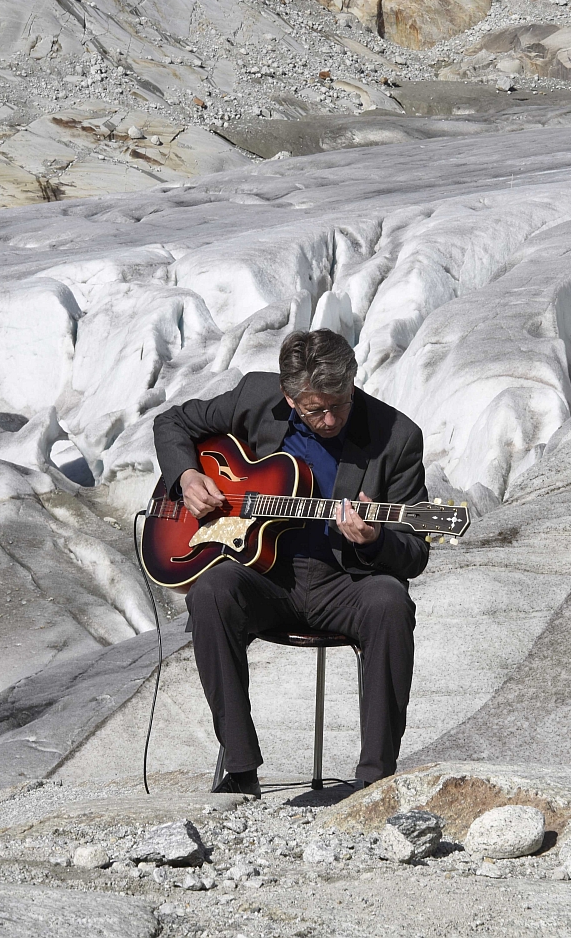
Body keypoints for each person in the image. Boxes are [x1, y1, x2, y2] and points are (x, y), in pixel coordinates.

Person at [152, 329, 430, 797]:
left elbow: (415, 550)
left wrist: (375, 538)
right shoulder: (255, 397)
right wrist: (186, 475)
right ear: (288, 395)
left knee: (390, 600)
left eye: (339, 404)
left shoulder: (397, 436)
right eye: (313, 409)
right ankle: (241, 769)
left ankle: (375, 777)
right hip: (265, 575)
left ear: (353, 380)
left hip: (345, 582)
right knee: (211, 592)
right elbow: (172, 423)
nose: (328, 419)